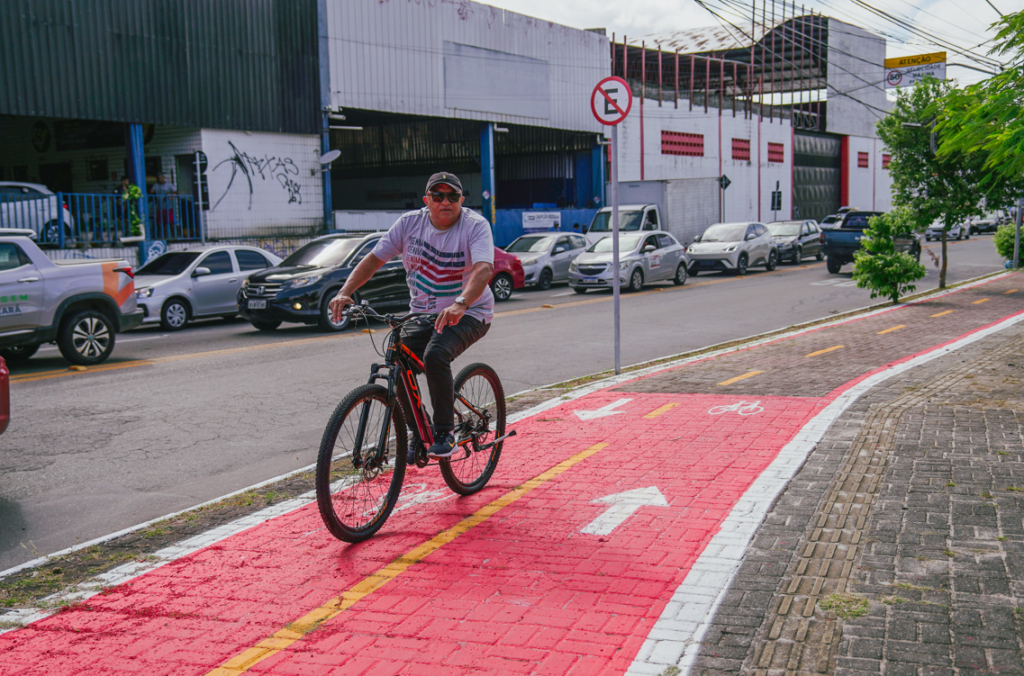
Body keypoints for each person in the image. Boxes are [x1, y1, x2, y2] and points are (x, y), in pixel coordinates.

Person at [329, 172, 494, 460]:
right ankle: (420, 433)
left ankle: (444, 433)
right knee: (397, 359)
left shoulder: (475, 226)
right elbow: (374, 259)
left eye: (452, 196)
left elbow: (483, 270)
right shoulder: (409, 224)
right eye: (438, 196)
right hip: (422, 313)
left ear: (461, 200)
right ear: (426, 200)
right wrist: (346, 291)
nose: (445, 201)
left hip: (471, 311)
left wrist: (460, 303)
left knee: (435, 355)